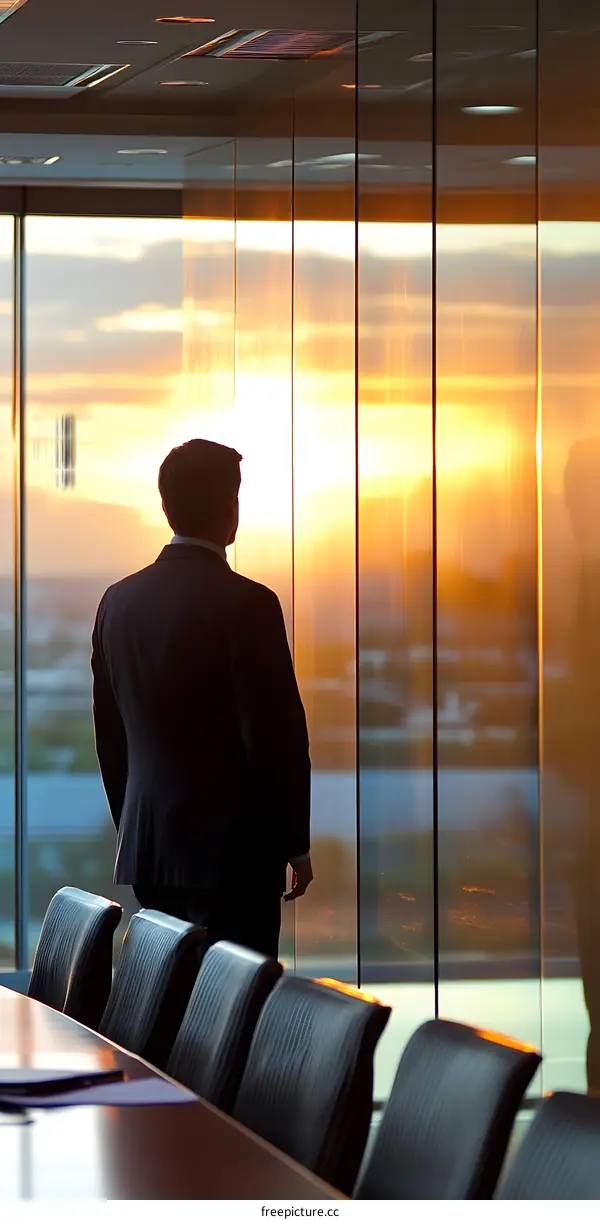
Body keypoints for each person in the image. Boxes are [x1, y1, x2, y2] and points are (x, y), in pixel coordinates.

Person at [91, 438, 312, 959]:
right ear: (230, 509)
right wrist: (293, 841)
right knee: (235, 1019)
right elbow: (275, 737)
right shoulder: (250, 605)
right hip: (234, 859)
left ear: (166, 507)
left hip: (150, 852)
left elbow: (110, 736)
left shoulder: (117, 602)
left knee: (167, 1016)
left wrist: (138, 827)